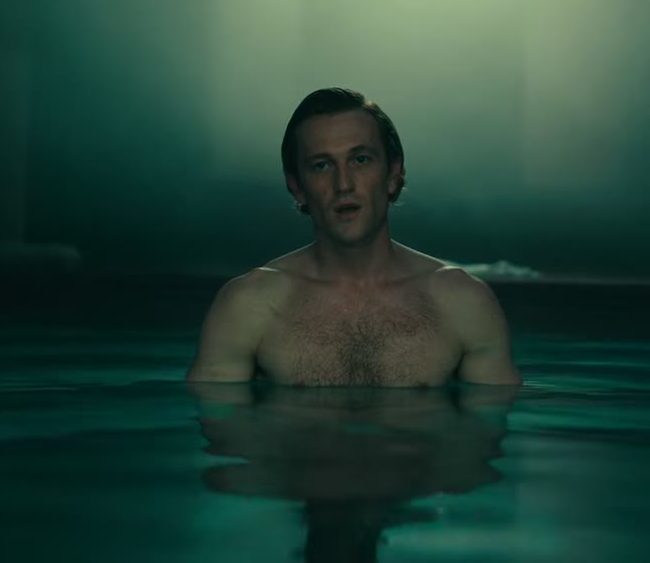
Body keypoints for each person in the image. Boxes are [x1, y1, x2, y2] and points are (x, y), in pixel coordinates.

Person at [186, 88, 521, 387]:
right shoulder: (248, 306)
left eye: (360, 160)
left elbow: (485, 430)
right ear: (297, 186)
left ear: (393, 174)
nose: (343, 184)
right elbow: (221, 428)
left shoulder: (463, 303)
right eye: (322, 165)